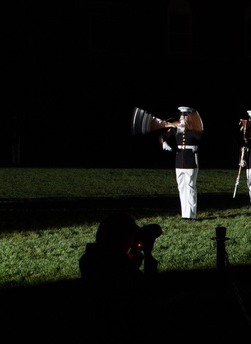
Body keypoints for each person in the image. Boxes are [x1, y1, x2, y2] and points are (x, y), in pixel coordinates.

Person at [78, 212, 161, 341]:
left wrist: (131, 259)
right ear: (123, 238)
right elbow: (149, 294)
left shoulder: (89, 259)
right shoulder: (120, 266)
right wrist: (148, 255)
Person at [160, 106, 202, 220]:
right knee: (181, 186)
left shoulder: (194, 127)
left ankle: (191, 215)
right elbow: (163, 135)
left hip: (190, 159)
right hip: (179, 159)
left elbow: (198, 137)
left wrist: (187, 128)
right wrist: (164, 143)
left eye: (185, 115)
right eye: (181, 115)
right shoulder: (176, 127)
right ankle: (185, 213)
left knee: (190, 186)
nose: (183, 117)